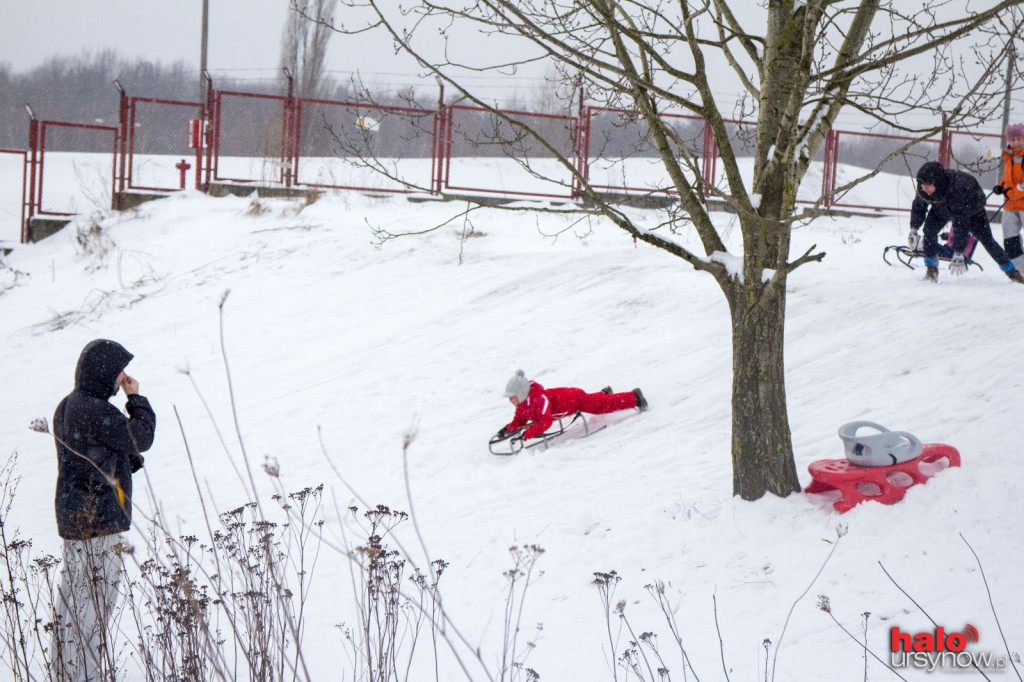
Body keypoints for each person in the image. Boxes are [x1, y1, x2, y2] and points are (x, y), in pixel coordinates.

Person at [50, 339, 156, 681]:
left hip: (75, 519)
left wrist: (125, 462)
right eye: (118, 370)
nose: (123, 375)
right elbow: (140, 437)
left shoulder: (69, 405)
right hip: (99, 523)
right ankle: (85, 676)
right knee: (93, 611)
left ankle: (65, 673)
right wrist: (135, 398)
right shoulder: (96, 409)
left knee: (72, 609)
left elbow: (91, 455)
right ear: (104, 373)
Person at [913, 161, 1024, 284]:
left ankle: (1013, 273)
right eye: (922, 185)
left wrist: (959, 252)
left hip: (973, 210)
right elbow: (919, 206)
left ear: (937, 182)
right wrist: (913, 228)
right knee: (929, 231)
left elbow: (961, 224)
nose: (924, 188)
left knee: (988, 241)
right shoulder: (923, 188)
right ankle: (931, 270)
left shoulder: (959, 187)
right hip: (942, 206)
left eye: (927, 185)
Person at [494, 369, 647, 442]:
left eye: (512, 397)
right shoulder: (522, 405)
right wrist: (507, 430)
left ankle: (634, 397)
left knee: (600, 407)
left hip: (574, 401)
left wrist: (528, 434)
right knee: (597, 402)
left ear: (520, 394)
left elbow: (545, 422)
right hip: (570, 397)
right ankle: (603, 394)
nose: (510, 401)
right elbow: (519, 421)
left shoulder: (539, 400)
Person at [993, 122, 1024, 271]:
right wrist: (1002, 185)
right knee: (1010, 241)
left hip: (1020, 202)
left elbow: (1021, 186)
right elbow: (1010, 178)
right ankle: (1021, 272)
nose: (1016, 142)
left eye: (1019, 138)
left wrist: (1010, 192)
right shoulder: (1009, 157)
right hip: (1010, 205)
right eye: (1013, 139)